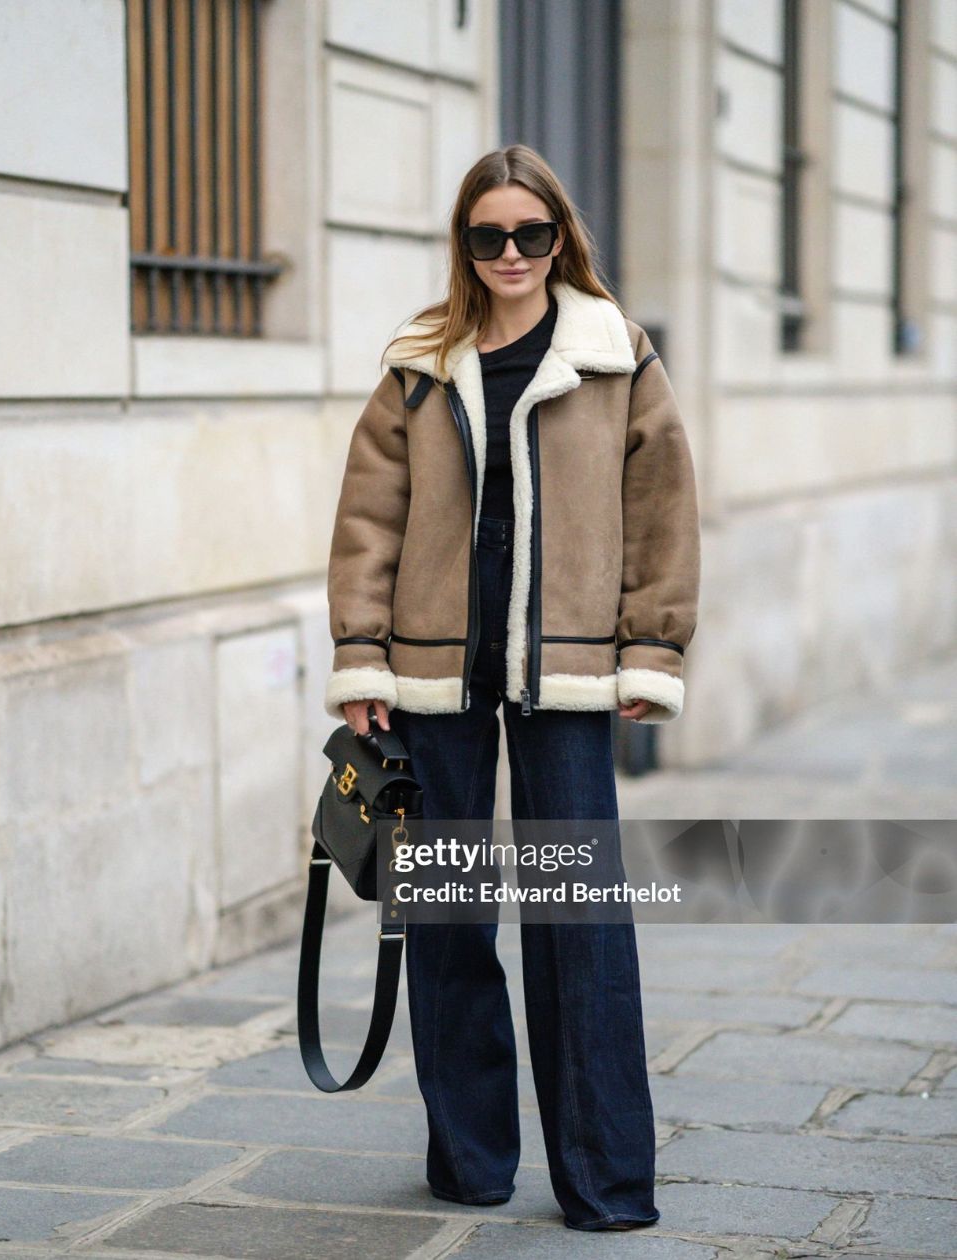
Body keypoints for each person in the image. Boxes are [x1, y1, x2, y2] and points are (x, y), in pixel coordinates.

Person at [323, 144, 701, 1231]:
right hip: (433, 672)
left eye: (529, 234)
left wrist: (653, 651)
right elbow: (367, 519)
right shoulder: (419, 359)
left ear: (559, 238)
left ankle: (605, 1181)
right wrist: (361, 658)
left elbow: (664, 511)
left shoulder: (615, 352)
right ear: (464, 244)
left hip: (571, 670)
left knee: (578, 926)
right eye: (487, 236)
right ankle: (470, 1160)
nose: (509, 254)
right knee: (447, 920)